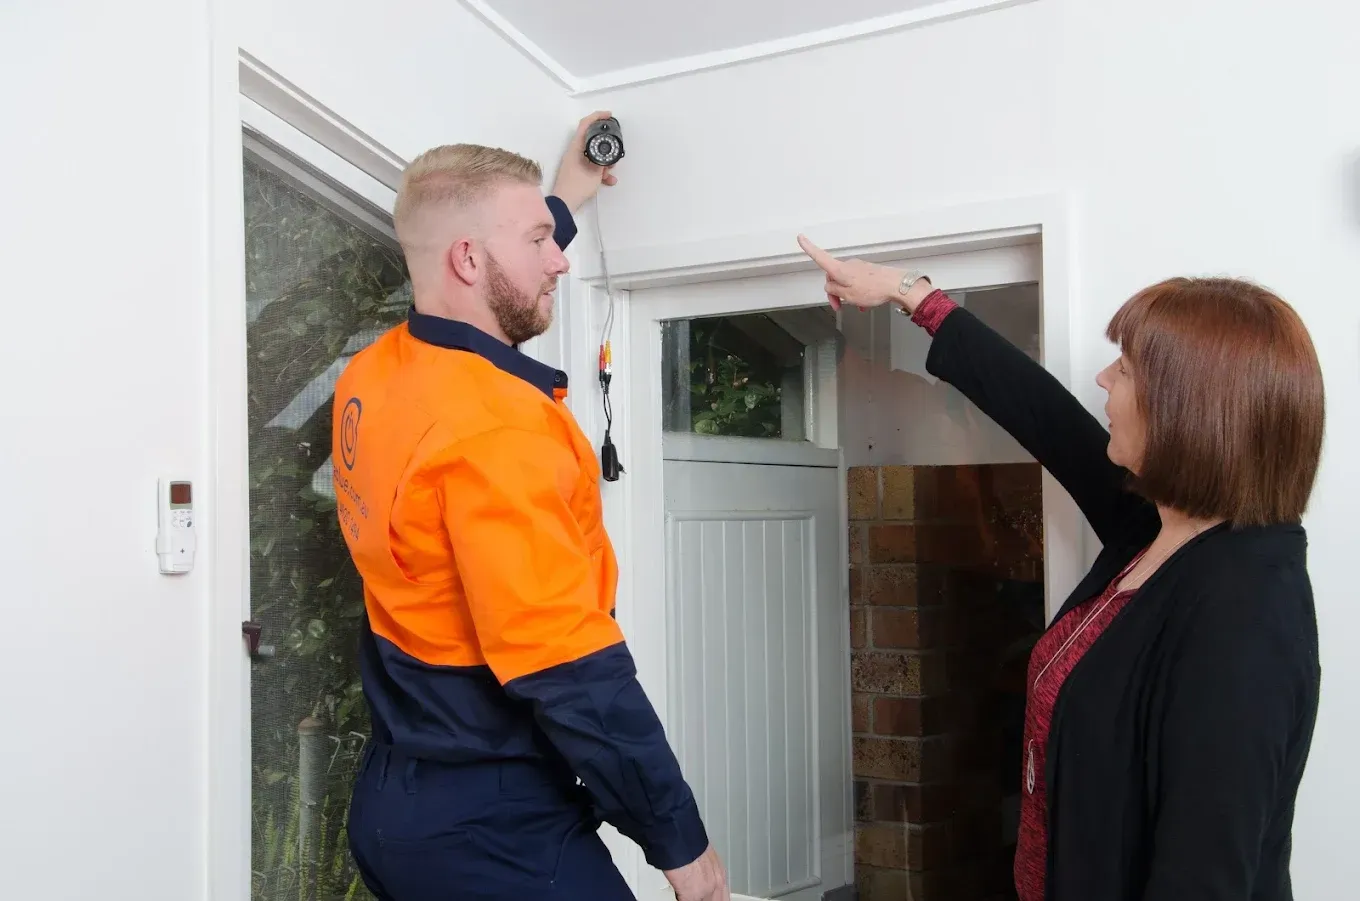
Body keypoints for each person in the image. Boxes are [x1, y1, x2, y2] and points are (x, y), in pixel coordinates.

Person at [797, 235, 1323, 901]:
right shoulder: (1160, 528)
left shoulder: (1246, 614)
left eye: (1125, 369)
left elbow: (1202, 876)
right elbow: (1044, 414)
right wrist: (908, 294)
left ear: (1192, 411)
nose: (1103, 378)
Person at [331, 111, 728, 901]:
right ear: (469, 258)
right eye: (539, 240)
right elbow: (572, 671)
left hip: (393, 801)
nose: (560, 262)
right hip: (492, 824)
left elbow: (495, 283)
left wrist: (566, 193)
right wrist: (683, 849)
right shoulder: (497, 428)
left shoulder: (373, 375)